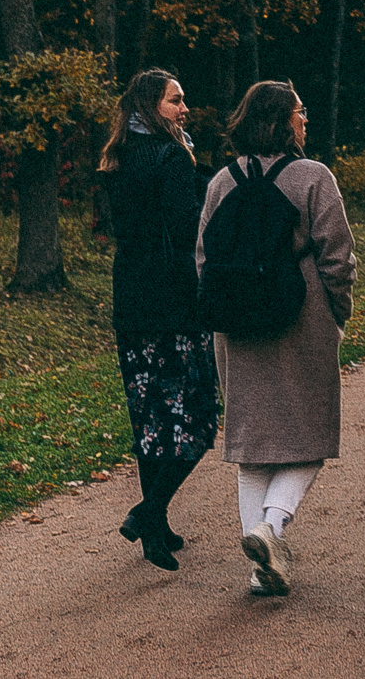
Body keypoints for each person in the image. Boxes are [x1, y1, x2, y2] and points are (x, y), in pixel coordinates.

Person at [197, 81, 355, 599]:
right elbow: (337, 256)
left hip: (236, 324)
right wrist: (338, 312)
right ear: (283, 121)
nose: (305, 119)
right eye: (301, 111)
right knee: (310, 433)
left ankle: (257, 561)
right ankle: (272, 527)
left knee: (251, 444)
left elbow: (204, 256)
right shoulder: (313, 177)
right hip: (301, 315)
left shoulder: (223, 180)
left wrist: (221, 311)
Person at [99, 69, 217, 572]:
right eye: (176, 100)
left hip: (130, 298)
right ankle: (147, 512)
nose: (184, 108)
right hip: (174, 303)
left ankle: (157, 524)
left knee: (149, 418)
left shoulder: (114, 159)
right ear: (152, 106)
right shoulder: (172, 157)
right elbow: (191, 230)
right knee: (201, 415)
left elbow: (113, 226)